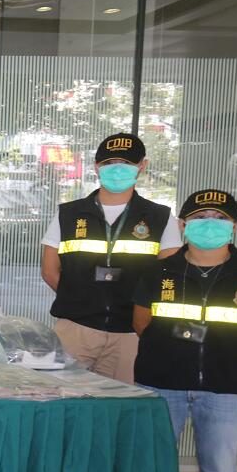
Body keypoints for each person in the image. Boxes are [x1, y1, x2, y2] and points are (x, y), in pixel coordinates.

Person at [133, 188, 237, 472]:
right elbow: (141, 322)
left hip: (227, 388)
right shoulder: (159, 272)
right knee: (153, 467)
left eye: (220, 219)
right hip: (162, 382)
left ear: (235, 227)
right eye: (201, 218)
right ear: (183, 225)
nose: (209, 225)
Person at [41, 133, 179, 382]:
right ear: (97, 167)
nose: (117, 168)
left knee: (123, 403)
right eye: (109, 162)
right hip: (75, 329)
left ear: (142, 166)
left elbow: (170, 277)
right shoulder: (69, 214)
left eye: (126, 163)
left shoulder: (160, 217)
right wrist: (81, 300)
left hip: (130, 334)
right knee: (61, 397)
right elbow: (50, 271)